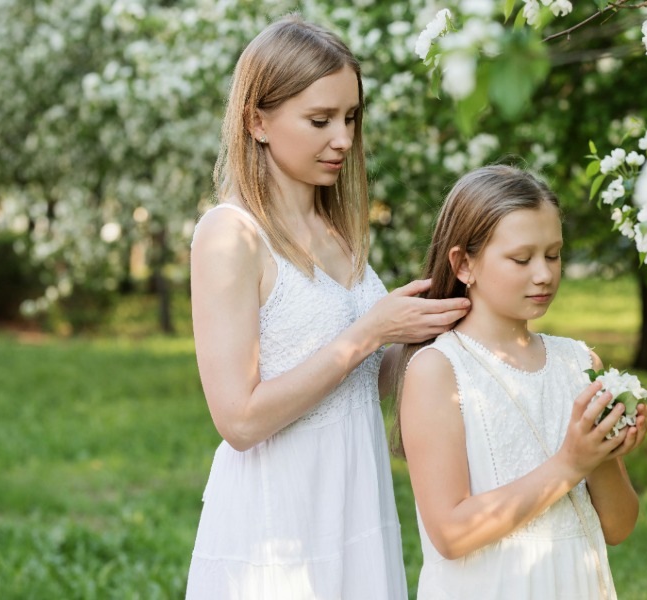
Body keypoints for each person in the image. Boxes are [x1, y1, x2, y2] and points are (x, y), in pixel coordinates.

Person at [185, 14, 469, 599]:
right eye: (319, 120)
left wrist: (436, 327)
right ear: (257, 120)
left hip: (355, 503)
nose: (342, 138)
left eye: (350, 118)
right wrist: (369, 332)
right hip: (277, 520)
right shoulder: (230, 235)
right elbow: (239, 421)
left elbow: (365, 381)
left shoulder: (338, 233)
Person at [396, 165, 647, 600]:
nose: (544, 274)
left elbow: (619, 525)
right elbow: (450, 533)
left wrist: (601, 452)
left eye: (553, 255)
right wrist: (570, 463)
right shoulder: (439, 369)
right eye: (521, 259)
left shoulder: (578, 362)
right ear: (464, 264)